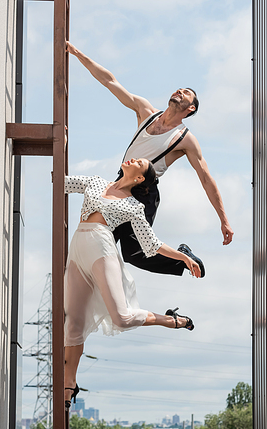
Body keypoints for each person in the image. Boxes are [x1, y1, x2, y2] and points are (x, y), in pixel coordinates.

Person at [66, 42, 234, 278]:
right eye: (178, 89)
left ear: (191, 108)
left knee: (134, 254)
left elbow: (206, 178)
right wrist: (77, 54)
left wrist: (224, 221)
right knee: (98, 241)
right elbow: (109, 81)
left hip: (144, 192)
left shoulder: (185, 139)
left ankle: (184, 259)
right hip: (121, 181)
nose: (179, 92)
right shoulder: (145, 111)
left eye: (185, 93)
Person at [64, 157, 200, 407]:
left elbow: (152, 244)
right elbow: (59, 184)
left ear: (139, 178)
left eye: (141, 163)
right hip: (77, 250)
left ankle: (170, 321)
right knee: (73, 322)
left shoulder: (133, 207)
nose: (135, 159)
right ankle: (69, 385)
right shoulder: (94, 182)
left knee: (122, 318)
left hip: (101, 249)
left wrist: (183, 257)